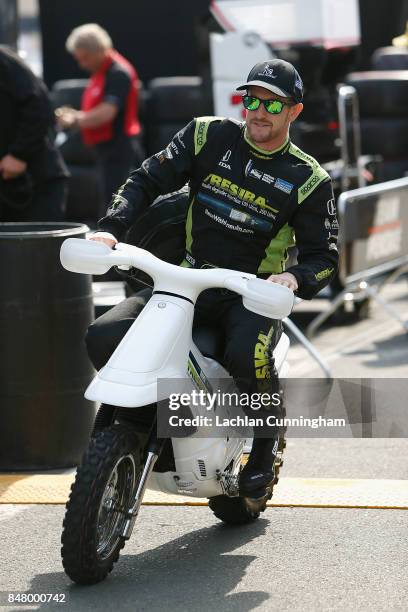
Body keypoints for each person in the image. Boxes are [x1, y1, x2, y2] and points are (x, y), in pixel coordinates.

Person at [85, 59, 339, 497]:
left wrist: (294, 279)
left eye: (273, 105)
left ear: (294, 112)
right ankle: (153, 421)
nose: (258, 111)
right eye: (251, 99)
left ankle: (264, 446)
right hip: (183, 282)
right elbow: (145, 180)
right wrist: (111, 227)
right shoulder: (206, 134)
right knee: (103, 336)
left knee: (249, 355)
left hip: (249, 296)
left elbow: (324, 256)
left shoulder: (310, 179)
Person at [56, 24, 143, 210]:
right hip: (107, 149)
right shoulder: (101, 73)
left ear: (98, 50)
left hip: (119, 148)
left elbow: (107, 112)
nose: (82, 65)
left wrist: (75, 119)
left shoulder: (118, 73)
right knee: (108, 199)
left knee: (117, 203)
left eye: (85, 58)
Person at [0, 46, 68, 221]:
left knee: (40, 246)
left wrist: (19, 154)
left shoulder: (4, 61)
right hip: (7, 187)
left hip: (35, 183)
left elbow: (38, 102)